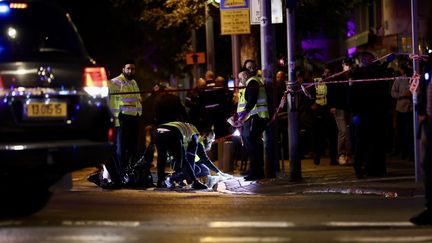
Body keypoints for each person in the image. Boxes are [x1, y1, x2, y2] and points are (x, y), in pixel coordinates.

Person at [154, 122, 227, 189]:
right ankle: (192, 182)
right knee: (184, 161)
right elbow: (190, 159)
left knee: (161, 157)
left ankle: (160, 182)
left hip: (159, 130)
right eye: (211, 139)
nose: (211, 141)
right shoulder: (194, 135)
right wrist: (192, 180)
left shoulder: (189, 131)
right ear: (203, 135)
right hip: (174, 132)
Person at [107, 59, 142, 185]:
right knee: (121, 149)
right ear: (123, 69)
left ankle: (129, 172)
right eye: (128, 68)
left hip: (134, 118)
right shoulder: (116, 82)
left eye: (133, 69)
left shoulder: (134, 82)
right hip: (122, 119)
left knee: (132, 148)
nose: (131, 71)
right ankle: (120, 174)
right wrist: (115, 120)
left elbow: (137, 100)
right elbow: (113, 103)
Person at [236, 59, 269, 181]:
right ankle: (255, 170)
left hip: (254, 118)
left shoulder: (252, 82)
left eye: (241, 78)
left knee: (252, 145)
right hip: (253, 118)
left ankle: (256, 172)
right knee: (253, 145)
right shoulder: (252, 82)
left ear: (245, 76)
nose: (240, 81)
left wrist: (242, 116)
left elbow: (251, 101)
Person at [410, 55, 432, 225]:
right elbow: (422, 89)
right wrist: (422, 111)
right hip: (428, 122)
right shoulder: (428, 67)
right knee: (427, 165)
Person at [390, 64, 414, 160]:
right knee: (400, 132)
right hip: (400, 109)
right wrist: (403, 95)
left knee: (410, 132)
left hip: (411, 109)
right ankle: (401, 151)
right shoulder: (399, 79)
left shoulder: (414, 78)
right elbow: (393, 92)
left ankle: (410, 153)